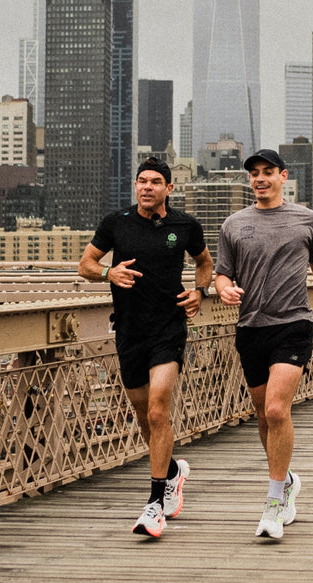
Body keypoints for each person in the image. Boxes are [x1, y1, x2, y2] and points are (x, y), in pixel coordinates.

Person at [78, 157, 214, 538]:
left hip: (168, 327)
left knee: (158, 410)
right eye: (141, 181)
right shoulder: (116, 223)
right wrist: (109, 271)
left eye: (155, 181)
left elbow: (205, 263)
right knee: (143, 415)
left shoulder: (185, 225)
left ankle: (155, 503)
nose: (147, 187)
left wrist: (199, 291)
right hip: (129, 329)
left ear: (169, 188)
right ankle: (172, 471)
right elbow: (85, 264)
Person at [215, 148, 313, 539]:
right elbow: (221, 274)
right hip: (251, 326)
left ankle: (273, 502)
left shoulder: (308, 219)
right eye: (254, 174)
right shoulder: (234, 224)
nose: (260, 178)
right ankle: (285, 482)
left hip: (293, 323)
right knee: (262, 414)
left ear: (284, 176)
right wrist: (224, 290)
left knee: (276, 409)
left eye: (268, 172)